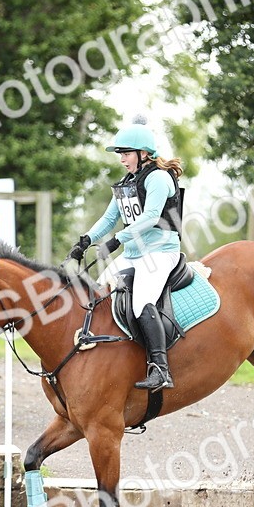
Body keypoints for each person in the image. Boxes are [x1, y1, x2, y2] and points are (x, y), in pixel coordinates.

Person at [68, 117, 185, 391]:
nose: (121, 159)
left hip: (159, 252)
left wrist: (117, 240)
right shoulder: (127, 182)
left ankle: (160, 369)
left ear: (144, 153)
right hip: (134, 253)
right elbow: (109, 219)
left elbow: (151, 217)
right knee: (99, 295)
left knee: (140, 302)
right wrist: (85, 241)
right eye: (120, 154)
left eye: (126, 153)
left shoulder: (158, 178)